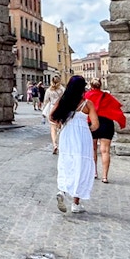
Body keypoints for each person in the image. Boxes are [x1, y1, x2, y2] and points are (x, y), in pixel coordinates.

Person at [51, 75, 97, 213]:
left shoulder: (63, 101)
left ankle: (62, 191)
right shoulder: (87, 103)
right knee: (81, 166)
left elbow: (51, 117)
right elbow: (95, 124)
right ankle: (76, 204)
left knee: (66, 162)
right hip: (82, 137)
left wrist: (61, 123)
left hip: (67, 135)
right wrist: (85, 128)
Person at [83, 79, 125, 183]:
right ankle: (105, 177)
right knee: (105, 151)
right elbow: (117, 108)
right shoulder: (107, 96)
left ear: (91, 86)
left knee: (93, 149)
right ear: (100, 86)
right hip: (106, 124)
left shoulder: (87, 96)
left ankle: (94, 172)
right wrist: (121, 122)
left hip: (92, 123)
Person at [42, 77, 65, 154]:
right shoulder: (62, 90)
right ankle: (60, 143)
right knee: (61, 127)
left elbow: (45, 101)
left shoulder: (49, 90)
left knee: (53, 128)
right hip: (61, 109)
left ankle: (55, 145)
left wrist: (43, 110)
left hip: (52, 108)